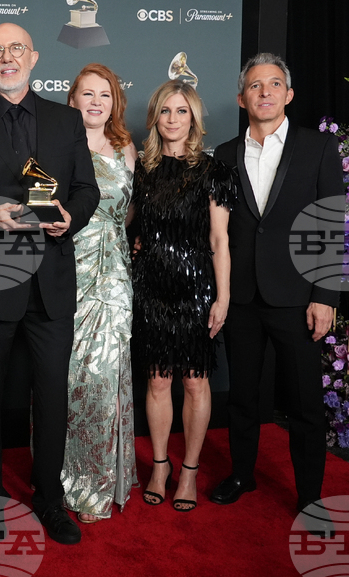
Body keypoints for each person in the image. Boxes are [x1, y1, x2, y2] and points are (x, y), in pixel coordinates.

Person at [0, 23, 99, 545]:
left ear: (32, 57)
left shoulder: (66, 119)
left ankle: (49, 501)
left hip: (51, 282)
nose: (6, 58)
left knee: (52, 398)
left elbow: (85, 189)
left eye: (15, 49)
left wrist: (68, 218)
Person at [210, 54, 341, 527]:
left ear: (288, 94)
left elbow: (331, 225)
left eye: (274, 84)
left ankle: (310, 496)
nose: (264, 92)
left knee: (305, 404)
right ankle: (242, 475)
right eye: (254, 85)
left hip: (298, 297)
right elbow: (220, 230)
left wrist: (325, 295)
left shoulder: (320, 148)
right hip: (243, 297)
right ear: (241, 96)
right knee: (242, 396)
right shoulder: (223, 154)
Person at [132, 80, 236, 512]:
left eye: (181, 111)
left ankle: (188, 470)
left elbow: (219, 239)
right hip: (152, 288)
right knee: (157, 380)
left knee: (195, 381)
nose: (173, 119)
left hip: (196, 289)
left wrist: (222, 297)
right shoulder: (142, 169)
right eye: (165, 111)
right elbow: (126, 225)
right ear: (155, 118)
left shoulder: (214, 172)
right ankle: (160, 466)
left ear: (194, 118)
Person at [60, 63, 139, 523]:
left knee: (105, 378)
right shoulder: (57, 144)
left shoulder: (126, 147)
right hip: (66, 271)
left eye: (104, 95)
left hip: (112, 278)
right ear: (72, 100)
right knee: (64, 376)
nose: (95, 102)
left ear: (114, 103)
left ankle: (98, 480)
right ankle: (61, 475)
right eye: (87, 94)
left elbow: (127, 213)